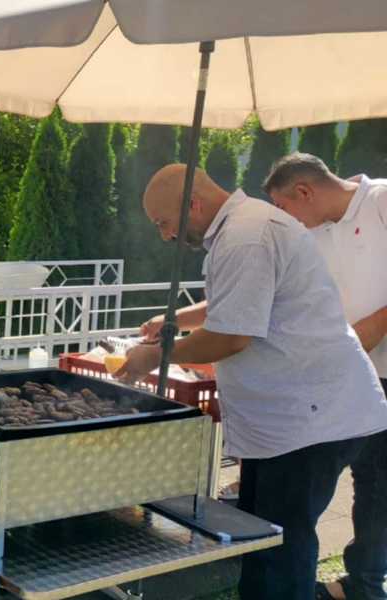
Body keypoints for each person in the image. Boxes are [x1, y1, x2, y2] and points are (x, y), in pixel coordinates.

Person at [120, 164, 387, 600]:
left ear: (192, 204)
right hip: (288, 422)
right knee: (261, 538)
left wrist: (155, 355)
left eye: (164, 223)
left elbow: (232, 336)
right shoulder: (242, 230)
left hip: (309, 421)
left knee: (281, 549)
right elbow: (236, 306)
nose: (166, 236)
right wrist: (175, 327)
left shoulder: (248, 235)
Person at [263, 152, 387, 600]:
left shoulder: (381, 201)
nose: (285, 219)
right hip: (349, 375)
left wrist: (364, 336)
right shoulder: (314, 231)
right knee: (361, 480)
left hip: (378, 372)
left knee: (378, 483)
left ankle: (365, 583)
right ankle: (360, 583)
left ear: (304, 191)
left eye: (284, 207)